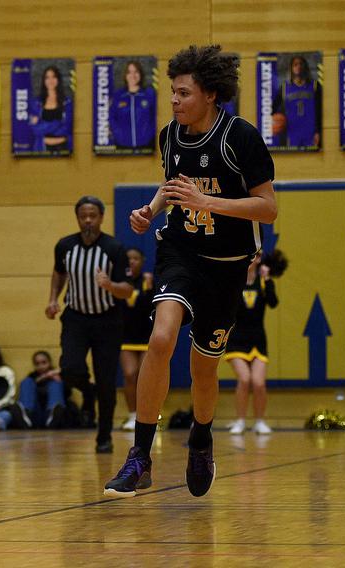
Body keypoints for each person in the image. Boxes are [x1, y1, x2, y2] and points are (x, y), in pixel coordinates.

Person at [104, 45, 277, 499]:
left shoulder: (240, 137)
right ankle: (140, 455)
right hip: (179, 251)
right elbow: (173, 185)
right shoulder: (170, 136)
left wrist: (207, 202)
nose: (175, 101)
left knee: (204, 368)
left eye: (183, 93)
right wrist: (151, 207)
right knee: (160, 339)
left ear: (211, 94)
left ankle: (201, 439)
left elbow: (269, 208)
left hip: (226, 265)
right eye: (173, 92)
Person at [47, 196, 132, 453]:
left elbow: (127, 290)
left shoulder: (115, 249)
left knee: (107, 381)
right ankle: (88, 391)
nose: (88, 220)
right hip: (76, 318)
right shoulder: (65, 246)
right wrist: (52, 299)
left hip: (107, 321)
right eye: (83, 215)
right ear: (77, 217)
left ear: (101, 217)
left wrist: (109, 285)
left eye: (92, 215)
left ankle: (104, 436)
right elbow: (59, 273)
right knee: (70, 368)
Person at [224, 250, 287, 435]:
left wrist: (267, 281)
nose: (254, 259)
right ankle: (240, 421)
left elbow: (274, 303)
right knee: (244, 379)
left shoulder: (263, 282)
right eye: (251, 255)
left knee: (258, 383)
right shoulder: (235, 280)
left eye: (257, 255)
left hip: (258, 339)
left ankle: (259, 421)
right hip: (236, 339)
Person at [119, 248, 154, 431]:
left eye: (136, 258)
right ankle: (133, 415)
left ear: (142, 260)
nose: (132, 261)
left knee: (145, 376)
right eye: (129, 258)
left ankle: (148, 416)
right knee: (130, 374)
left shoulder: (149, 281)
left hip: (146, 336)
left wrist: (150, 288)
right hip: (126, 336)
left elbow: (153, 307)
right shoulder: (120, 282)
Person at [273, 55, 321, 148]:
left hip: (310, 132)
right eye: (295, 64)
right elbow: (272, 108)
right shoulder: (284, 88)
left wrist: (318, 131)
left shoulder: (314, 86)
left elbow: (320, 111)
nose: (298, 66)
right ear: (291, 68)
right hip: (292, 133)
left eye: (300, 64)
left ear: (305, 67)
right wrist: (278, 121)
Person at [110, 60, 157, 151]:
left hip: (146, 145)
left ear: (140, 74)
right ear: (125, 75)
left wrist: (149, 134)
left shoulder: (149, 94)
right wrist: (118, 135)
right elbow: (111, 117)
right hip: (122, 145)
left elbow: (156, 117)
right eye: (129, 72)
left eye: (136, 72)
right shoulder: (118, 96)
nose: (133, 75)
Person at [17, 351, 66, 429]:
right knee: (27, 382)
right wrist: (45, 376)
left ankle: (52, 416)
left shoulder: (58, 376)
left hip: (53, 415)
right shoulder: (32, 378)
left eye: (44, 362)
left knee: (55, 384)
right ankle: (26, 415)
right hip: (35, 413)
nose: (41, 366)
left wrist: (57, 377)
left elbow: (67, 394)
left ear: (49, 362)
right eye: (37, 364)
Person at [30, 66, 72, 153]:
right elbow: (34, 129)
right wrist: (57, 123)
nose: (51, 80)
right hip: (42, 148)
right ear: (44, 81)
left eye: (54, 77)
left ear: (58, 79)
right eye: (47, 77)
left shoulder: (67, 102)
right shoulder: (37, 103)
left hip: (64, 148)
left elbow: (68, 128)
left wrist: (43, 126)